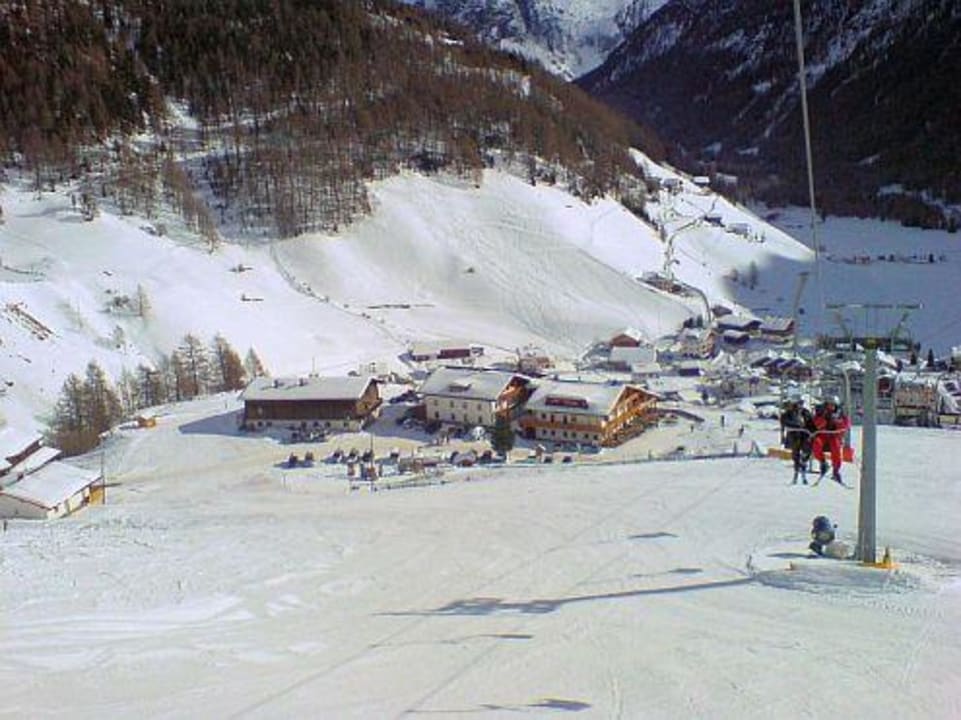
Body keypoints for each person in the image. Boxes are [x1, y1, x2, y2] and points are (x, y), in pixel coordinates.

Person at [811, 395, 851, 483]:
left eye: (833, 405)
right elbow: (816, 424)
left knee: (836, 447)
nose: (831, 407)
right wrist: (824, 419)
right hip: (823, 434)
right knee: (816, 444)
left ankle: (836, 470)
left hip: (834, 435)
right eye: (829, 405)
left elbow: (846, 424)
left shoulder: (840, 413)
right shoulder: (821, 412)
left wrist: (837, 423)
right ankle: (822, 462)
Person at [779, 394, 814, 484]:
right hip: (794, 435)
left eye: (801, 403)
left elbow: (811, 422)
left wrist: (812, 430)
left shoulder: (805, 412)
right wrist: (796, 425)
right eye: (798, 404)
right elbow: (785, 422)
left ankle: (803, 463)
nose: (800, 406)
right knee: (796, 453)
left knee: (808, 449)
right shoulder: (788, 413)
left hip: (804, 435)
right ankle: (797, 470)